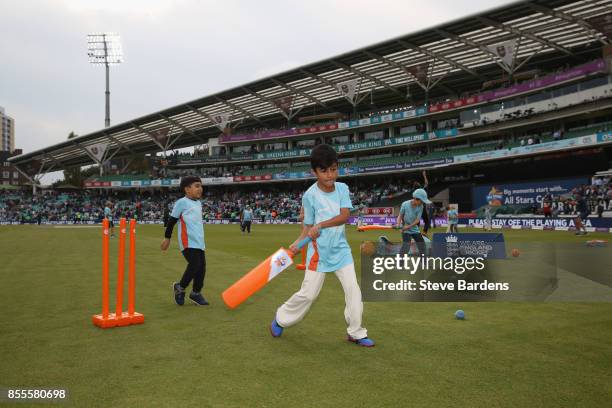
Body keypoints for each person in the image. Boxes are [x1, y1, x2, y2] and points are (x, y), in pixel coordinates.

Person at [270, 144, 374, 347]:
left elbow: (344, 216)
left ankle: (356, 332)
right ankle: (281, 318)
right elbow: (308, 226)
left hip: (341, 252)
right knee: (308, 294)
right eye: (324, 171)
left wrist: (321, 224)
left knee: (354, 291)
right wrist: (298, 243)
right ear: (314, 172)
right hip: (318, 254)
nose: (329, 175)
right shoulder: (309, 196)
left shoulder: (342, 189)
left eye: (333, 169)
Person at [160, 176, 209, 306]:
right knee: (194, 265)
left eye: (201, 186)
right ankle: (180, 288)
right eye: (197, 186)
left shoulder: (198, 203)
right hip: (187, 242)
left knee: (202, 268)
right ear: (187, 189)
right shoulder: (182, 202)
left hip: (199, 242)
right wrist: (167, 238)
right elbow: (171, 221)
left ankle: (196, 293)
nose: (200, 189)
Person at [397, 188, 431, 256]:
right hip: (406, 230)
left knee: (422, 246)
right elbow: (400, 216)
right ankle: (399, 263)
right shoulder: (405, 204)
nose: (422, 203)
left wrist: (407, 227)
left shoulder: (421, 206)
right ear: (416, 198)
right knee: (406, 246)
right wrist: (399, 224)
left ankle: (424, 263)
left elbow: (417, 221)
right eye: (421, 201)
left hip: (415, 229)